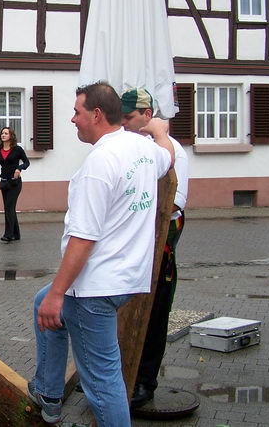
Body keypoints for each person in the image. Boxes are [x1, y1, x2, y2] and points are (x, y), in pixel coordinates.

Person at [28, 82, 174, 426]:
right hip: (125, 279)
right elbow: (166, 157)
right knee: (41, 301)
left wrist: (59, 294)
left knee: (102, 379)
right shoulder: (142, 149)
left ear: (96, 114)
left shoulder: (98, 164)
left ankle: (53, 398)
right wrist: (159, 130)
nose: (72, 119)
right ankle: (48, 393)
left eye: (77, 112)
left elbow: (83, 238)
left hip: (93, 288)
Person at [119, 87, 189, 409]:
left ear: (148, 115)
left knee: (155, 315)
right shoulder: (127, 145)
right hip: (131, 245)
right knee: (121, 314)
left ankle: (145, 381)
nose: (124, 123)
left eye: (130, 117)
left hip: (160, 244)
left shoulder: (172, 149)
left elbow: (173, 204)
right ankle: (117, 377)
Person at [0, 126, 30, 242]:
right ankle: (16, 234)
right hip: (4, 182)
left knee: (9, 207)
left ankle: (8, 234)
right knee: (9, 208)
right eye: (2, 133)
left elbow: (27, 162)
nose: (3, 135)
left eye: (6, 133)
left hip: (15, 183)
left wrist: (19, 168)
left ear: (11, 136)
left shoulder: (17, 149)